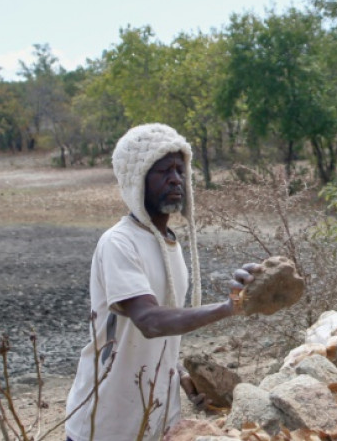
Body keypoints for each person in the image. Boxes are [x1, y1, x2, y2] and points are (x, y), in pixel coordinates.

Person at [64, 123, 256, 441]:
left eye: (180, 170)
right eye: (163, 171)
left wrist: (179, 373)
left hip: (157, 418)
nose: (175, 179)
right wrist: (228, 307)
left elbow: (162, 332)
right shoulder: (118, 243)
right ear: (136, 179)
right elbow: (150, 321)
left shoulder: (170, 244)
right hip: (105, 423)